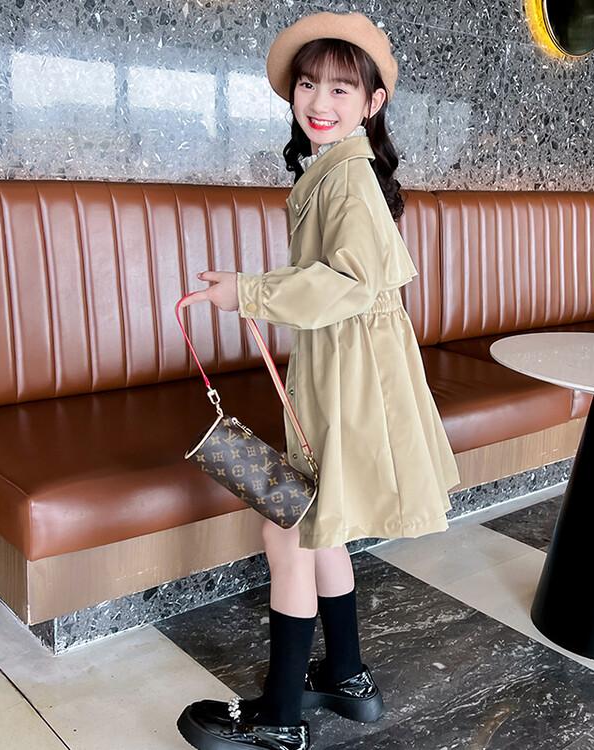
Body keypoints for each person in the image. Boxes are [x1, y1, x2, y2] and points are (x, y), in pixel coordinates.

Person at [175, 11, 461, 750]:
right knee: (313, 520)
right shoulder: (336, 169)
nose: (319, 101)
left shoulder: (349, 178)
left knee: (290, 529)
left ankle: (279, 721)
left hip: (352, 375)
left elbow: (352, 282)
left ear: (372, 102)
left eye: (341, 87)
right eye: (308, 84)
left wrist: (246, 292)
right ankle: (348, 677)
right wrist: (252, 291)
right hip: (349, 366)